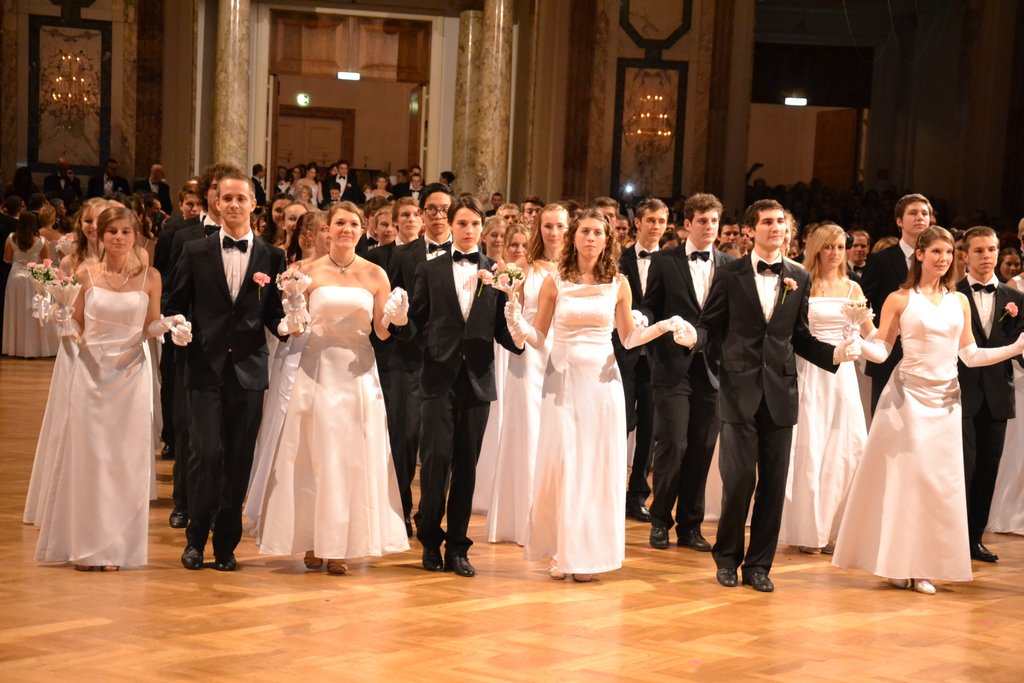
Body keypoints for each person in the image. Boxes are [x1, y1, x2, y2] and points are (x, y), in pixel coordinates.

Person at [675, 199, 856, 593]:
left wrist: (835, 354)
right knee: (739, 480)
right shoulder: (729, 273)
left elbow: (800, 337)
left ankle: (759, 566)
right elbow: (710, 325)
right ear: (749, 230)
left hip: (781, 392)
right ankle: (727, 559)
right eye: (768, 222)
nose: (776, 228)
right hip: (738, 390)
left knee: (773, 485)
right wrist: (693, 338)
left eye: (781, 222)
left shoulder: (798, 277)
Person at [834, 226, 1024, 594]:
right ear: (919, 254)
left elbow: (969, 355)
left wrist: (1014, 349)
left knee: (938, 485)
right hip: (907, 399)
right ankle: (898, 563)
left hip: (947, 402)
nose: (943, 259)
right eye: (936, 251)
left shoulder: (959, 301)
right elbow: (882, 351)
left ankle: (924, 565)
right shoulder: (900, 299)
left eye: (948, 252)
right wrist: (855, 340)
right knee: (909, 482)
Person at [505, 209, 683, 582]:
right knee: (563, 464)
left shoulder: (618, 283)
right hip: (562, 385)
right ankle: (562, 550)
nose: (590, 238)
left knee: (593, 467)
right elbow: (538, 337)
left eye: (597, 232)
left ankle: (586, 553)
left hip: (603, 388)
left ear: (607, 240)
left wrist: (663, 326)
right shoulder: (555, 282)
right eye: (584, 231)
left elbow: (629, 338)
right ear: (574, 237)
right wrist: (516, 320)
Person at [256, 202, 409, 573]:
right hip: (316, 367)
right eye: (339, 222)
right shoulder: (306, 271)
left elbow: (381, 332)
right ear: (327, 228)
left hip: (357, 373)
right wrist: (293, 312)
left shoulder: (374, 273)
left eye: (353, 223)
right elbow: (296, 327)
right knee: (313, 454)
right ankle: (313, 539)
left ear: (362, 229)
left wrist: (397, 317)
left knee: (350, 457)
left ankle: (340, 545)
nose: (346, 229)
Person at [35, 206, 179, 570]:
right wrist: (63, 322)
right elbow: (77, 323)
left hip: (131, 376)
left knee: (124, 461)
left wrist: (167, 326)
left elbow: (149, 324)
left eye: (125, 232)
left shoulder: (150, 276)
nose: (118, 238)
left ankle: (116, 548)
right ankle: (86, 547)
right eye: (112, 231)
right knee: (91, 459)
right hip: (92, 372)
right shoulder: (84, 273)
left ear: (135, 236)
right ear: (100, 235)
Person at [387, 193, 523, 577]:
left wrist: (518, 323)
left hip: (477, 381)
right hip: (437, 379)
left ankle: (459, 548)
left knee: (467, 467)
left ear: (483, 228)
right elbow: (415, 327)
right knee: (435, 463)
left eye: (475, 224)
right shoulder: (429, 270)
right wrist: (401, 320)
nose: (468, 230)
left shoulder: (498, 273)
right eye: (462, 223)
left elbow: (505, 335)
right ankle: (430, 539)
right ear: (450, 224)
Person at [166, 167, 286, 571]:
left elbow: (274, 314)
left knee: (238, 458)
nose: (234, 205)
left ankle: (226, 545)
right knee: (205, 454)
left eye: (241, 198)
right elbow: (175, 303)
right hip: (204, 366)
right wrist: (177, 326)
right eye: (227, 198)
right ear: (216, 203)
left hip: (249, 371)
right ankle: (196, 538)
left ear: (254, 204)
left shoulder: (272, 256)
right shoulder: (195, 251)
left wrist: (288, 325)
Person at [643, 193, 733, 553]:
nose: (709, 227)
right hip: (672, 367)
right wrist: (643, 320)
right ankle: (660, 520)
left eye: (714, 221)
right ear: (687, 224)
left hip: (712, 369)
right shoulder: (664, 261)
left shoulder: (731, 265)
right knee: (673, 444)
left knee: (702, 447)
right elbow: (651, 305)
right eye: (702, 221)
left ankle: (690, 527)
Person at [778, 223, 869, 554]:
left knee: (846, 449)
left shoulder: (853, 288)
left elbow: (870, 333)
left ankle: (834, 530)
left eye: (840, 247)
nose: (835, 253)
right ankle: (808, 529)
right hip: (809, 372)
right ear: (816, 248)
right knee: (810, 447)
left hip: (842, 377)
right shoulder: (802, 282)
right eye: (829, 246)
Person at [485, 204, 566, 544]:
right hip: (528, 355)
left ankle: (554, 520)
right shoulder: (523, 269)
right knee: (528, 432)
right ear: (539, 229)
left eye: (559, 226)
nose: (553, 232)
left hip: (564, 355)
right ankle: (523, 522)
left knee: (559, 437)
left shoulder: (577, 270)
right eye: (547, 226)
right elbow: (508, 316)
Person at [384, 186, 450, 534]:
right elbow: (392, 306)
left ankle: (430, 517)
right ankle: (400, 513)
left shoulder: (467, 255)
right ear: (422, 214)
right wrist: (399, 324)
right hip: (408, 357)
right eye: (432, 209)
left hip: (448, 362)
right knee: (404, 437)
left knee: (439, 446)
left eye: (444, 209)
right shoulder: (402, 255)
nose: (438, 216)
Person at [955, 227, 1024, 562]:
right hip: (958, 392)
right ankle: (951, 538)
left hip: (997, 394)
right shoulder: (951, 295)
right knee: (960, 468)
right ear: (965, 255)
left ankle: (974, 539)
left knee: (987, 469)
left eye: (992, 250)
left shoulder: (1016, 298)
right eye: (979, 250)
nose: (987, 256)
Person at [613, 197, 670, 522]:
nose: (656, 226)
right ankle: (611, 489)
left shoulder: (672, 261)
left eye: (661, 221)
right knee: (619, 423)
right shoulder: (618, 258)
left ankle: (637, 496)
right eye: (651, 220)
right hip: (622, 352)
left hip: (657, 355)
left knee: (649, 428)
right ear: (638, 223)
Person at [861, 194, 933, 413]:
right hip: (890, 352)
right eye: (913, 213)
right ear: (899, 221)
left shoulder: (938, 260)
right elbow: (863, 303)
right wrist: (874, 335)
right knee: (885, 419)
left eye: (924, 213)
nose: (920, 217)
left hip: (928, 354)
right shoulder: (881, 260)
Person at [3, 212, 59, 357]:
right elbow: (47, 262)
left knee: (16, 311)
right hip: (35, 278)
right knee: (33, 312)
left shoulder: (11, 238)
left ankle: (16, 347)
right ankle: (34, 347)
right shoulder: (41, 241)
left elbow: (7, 258)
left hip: (16, 277)